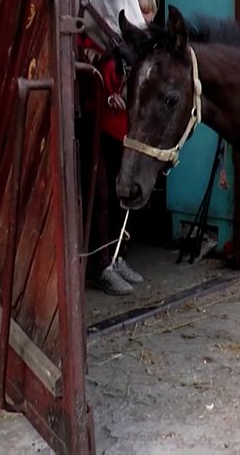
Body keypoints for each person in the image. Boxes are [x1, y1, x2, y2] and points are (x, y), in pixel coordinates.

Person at [76, 31, 145, 295]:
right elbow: (85, 84)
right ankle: (100, 265)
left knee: (120, 197)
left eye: (151, 12)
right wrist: (105, 97)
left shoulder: (129, 42)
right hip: (98, 127)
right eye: (145, 9)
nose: (147, 17)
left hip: (123, 129)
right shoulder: (88, 41)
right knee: (101, 198)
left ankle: (116, 256)